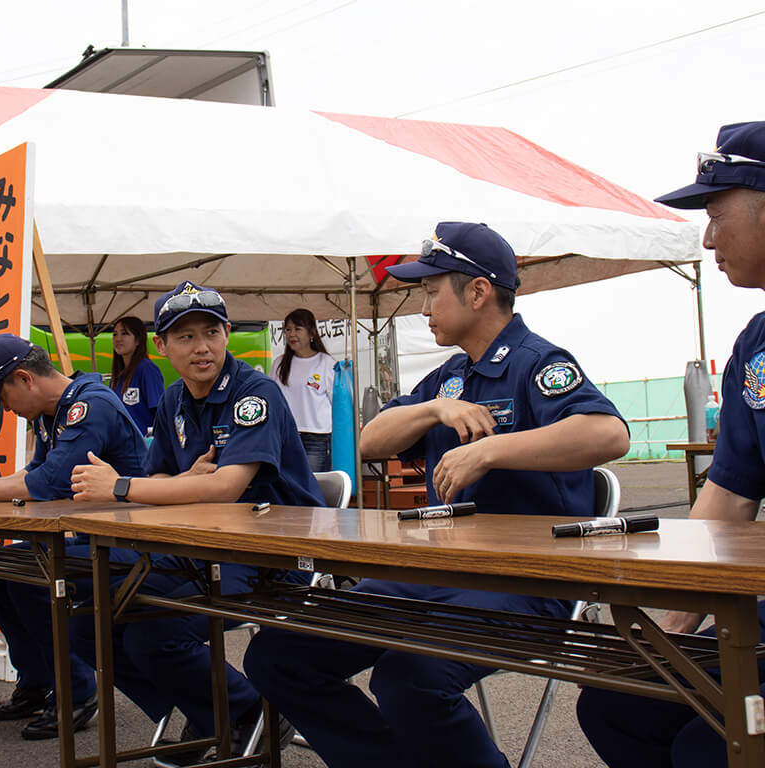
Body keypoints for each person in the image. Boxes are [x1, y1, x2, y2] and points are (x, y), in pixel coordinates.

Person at [242, 222, 631, 768]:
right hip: (436, 568)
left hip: (524, 580)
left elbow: (608, 434)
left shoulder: (536, 362)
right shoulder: (450, 376)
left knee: (410, 678)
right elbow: (370, 440)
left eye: (431, 291)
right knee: (279, 656)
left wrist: (493, 450)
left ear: (476, 291)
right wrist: (432, 410)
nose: (423, 306)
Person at [70, 281, 325, 763]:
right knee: (86, 622)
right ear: (162, 347)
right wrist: (180, 479)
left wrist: (120, 486)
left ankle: (249, 714)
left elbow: (225, 486)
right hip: (202, 548)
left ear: (228, 333)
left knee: (154, 632)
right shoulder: (173, 400)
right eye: (184, 337)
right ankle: (207, 710)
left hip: (272, 555)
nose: (202, 347)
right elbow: (164, 476)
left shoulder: (255, 392)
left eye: (211, 332)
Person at [576, 121, 765, 768]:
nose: (707, 237)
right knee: (616, 704)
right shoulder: (755, 344)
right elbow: (732, 496)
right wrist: (674, 627)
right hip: (759, 620)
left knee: (705, 749)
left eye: (716, 214)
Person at [0, 333, 148, 741]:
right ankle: (36, 682)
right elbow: (34, 474)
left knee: (32, 577)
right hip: (95, 535)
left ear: (25, 379)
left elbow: (51, 481)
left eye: (2, 397)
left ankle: (76, 691)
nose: (3, 408)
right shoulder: (52, 410)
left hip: (133, 542)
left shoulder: (89, 407)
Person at [270, 308, 334, 472]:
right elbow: (271, 399)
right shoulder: (279, 363)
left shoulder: (326, 362)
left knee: (314, 485)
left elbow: (338, 403)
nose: (292, 334)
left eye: (297, 329)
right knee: (288, 486)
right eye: (288, 330)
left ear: (311, 332)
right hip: (285, 436)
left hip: (317, 437)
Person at [109, 315, 164, 437]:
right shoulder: (117, 376)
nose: (118, 339)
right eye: (115, 334)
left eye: (124, 334)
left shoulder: (147, 370)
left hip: (143, 447)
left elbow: (160, 414)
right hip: (120, 447)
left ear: (138, 340)